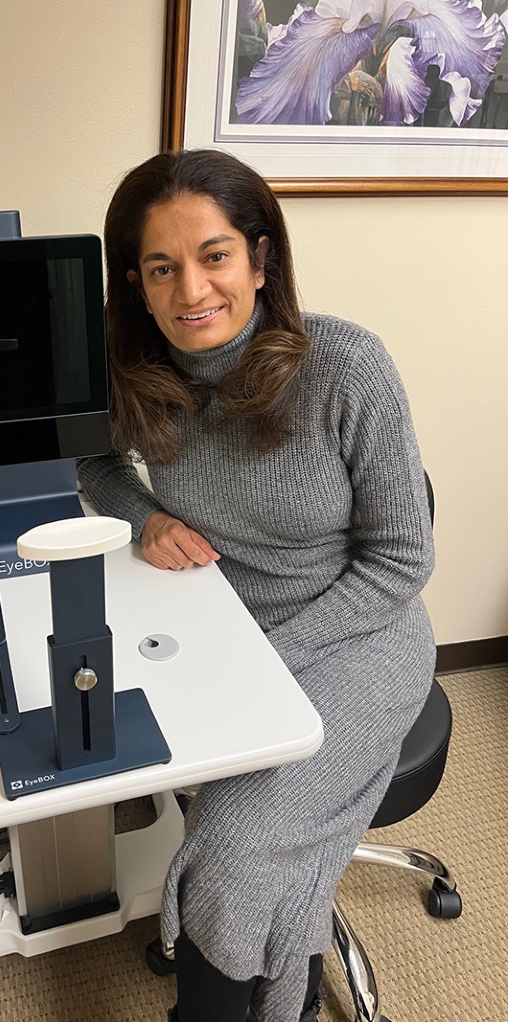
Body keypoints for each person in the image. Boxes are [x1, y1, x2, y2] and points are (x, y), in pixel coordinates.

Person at [77, 149, 436, 1022]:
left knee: (231, 849)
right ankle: (282, 995)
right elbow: (91, 460)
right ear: (136, 283)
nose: (190, 290)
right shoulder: (138, 371)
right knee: (200, 805)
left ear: (260, 259)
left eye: (214, 255)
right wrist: (143, 517)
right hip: (225, 623)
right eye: (161, 268)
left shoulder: (347, 367)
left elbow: (399, 560)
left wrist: (269, 660)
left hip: (359, 631)